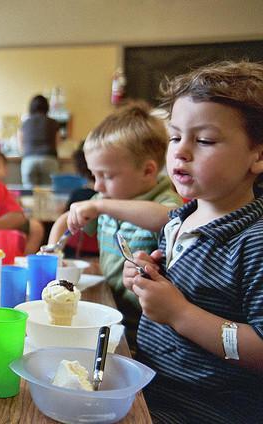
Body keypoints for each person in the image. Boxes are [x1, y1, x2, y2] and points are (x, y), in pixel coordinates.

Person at [121, 61, 263, 422]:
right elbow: (181, 288)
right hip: (150, 387)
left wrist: (180, 313)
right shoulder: (180, 220)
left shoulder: (254, 243)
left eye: (204, 140)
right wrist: (146, 277)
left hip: (203, 410)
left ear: (257, 155)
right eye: (175, 137)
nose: (181, 151)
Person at [47, 101, 182, 349]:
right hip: (109, 304)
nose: (97, 186)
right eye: (94, 175)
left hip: (144, 325)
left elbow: (169, 217)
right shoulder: (108, 197)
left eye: (107, 176)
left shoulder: (162, 199)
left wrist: (100, 207)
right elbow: (68, 218)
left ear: (148, 171)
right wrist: (53, 249)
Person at [0, 150, 45, 253]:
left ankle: (24, 259)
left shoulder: (11, 192)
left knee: (36, 227)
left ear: (5, 170)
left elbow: (19, 212)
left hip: (10, 224)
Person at [18, 94, 60, 186]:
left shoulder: (25, 123)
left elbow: (21, 145)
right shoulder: (53, 122)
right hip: (49, 158)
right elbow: (57, 143)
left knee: (29, 193)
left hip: (29, 160)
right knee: (48, 192)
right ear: (47, 107)